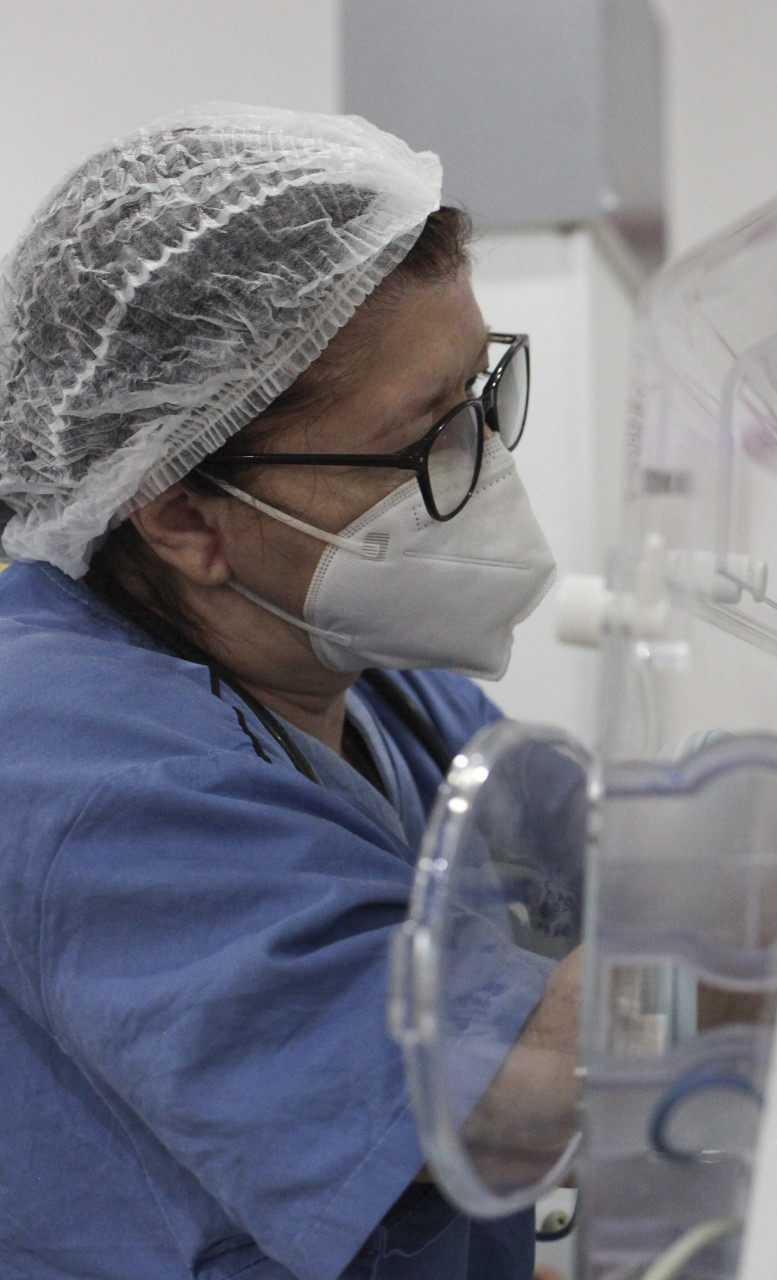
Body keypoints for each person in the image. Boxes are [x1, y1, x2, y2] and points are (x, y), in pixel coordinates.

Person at [0, 106, 574, 1279]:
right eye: (430, 434)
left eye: (483, 393)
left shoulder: (373, 686)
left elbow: (601, 867)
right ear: (180, 513)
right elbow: (491, 1083)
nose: (486, 463)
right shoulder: (68, 763)